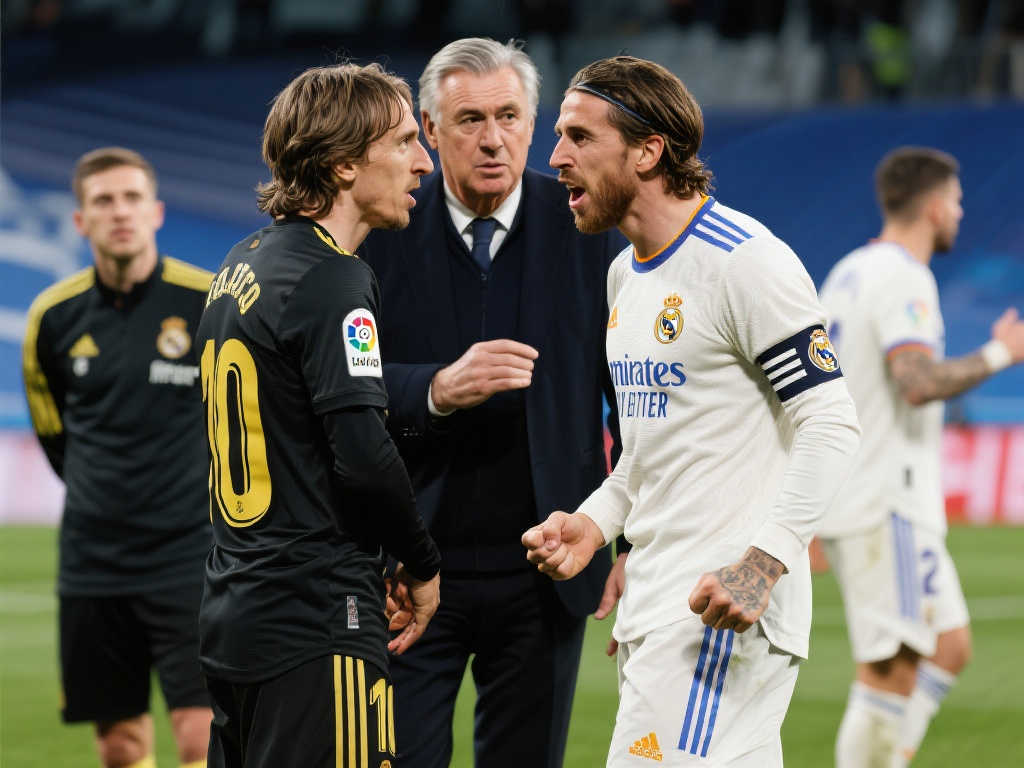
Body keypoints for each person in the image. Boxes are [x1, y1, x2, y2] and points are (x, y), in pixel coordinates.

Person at [523, 56, 863, 767]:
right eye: (558, 137)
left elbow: (831, 422)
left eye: (580, 137)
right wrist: (594, 522)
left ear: (648, 151)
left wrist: (762, 564)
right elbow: (650, 452)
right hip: (658, 608)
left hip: (719, 612)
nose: (555, 159)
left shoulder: (744, 262)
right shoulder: (625, 274)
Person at [359, 37, 626, 768]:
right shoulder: (380, 230)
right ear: (429, 128)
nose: (492, 139)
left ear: (533, 124)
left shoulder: (588, 230)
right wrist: (434, 389)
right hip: (409, 571)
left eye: (508, 116)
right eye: (470, 119)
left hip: (546, 570)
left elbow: (632, 397)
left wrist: (628, 540)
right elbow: (341, 387)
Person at [195, 62, 442, 768]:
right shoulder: (332, 277)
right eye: (403, 142)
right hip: (315, 620)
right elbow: (362, 453)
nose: (423, 162)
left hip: (235, 613)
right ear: (342, 164)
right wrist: (422, 564)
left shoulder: (241, 264)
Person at [817, 147, 1024, 767]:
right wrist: (1000, 354)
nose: (960, 212)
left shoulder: (849, 271)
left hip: (865, 490)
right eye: (956, 201)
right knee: (890, 670)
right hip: (887, 499)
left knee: (949, 645)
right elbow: (916, 380)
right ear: (933, 206)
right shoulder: (905, 275)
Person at [22, 147, 213, 768]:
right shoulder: (53, 317)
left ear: (157, 212)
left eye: (132, 198)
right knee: (120, 746)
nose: (120, 212)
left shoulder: (207, 302)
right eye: (103, 201)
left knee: (202, 735)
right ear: (81, 220)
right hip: (94, 560)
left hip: (190, 553)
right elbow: (53, 431)